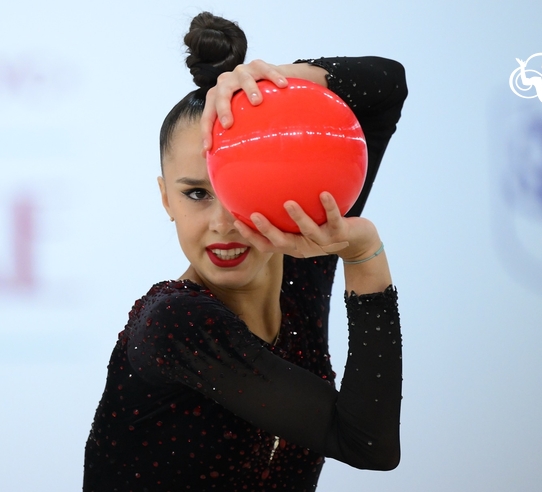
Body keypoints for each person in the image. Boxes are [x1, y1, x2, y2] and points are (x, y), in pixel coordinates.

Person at [83, 11, 407, 491]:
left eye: (242, 186)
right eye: (197, 193)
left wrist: (284, 80)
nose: (224, 224)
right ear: (165, 197)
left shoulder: (300, 255)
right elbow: (368, 445)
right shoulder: (176, 324)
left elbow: (387, 88)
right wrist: (363, 256)